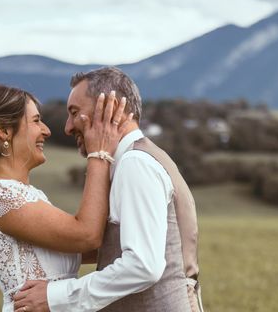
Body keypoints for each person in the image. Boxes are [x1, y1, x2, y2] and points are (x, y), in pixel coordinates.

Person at [14, 66, 204, 312]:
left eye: (75, 113)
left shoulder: (135, 163)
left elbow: (143, 265)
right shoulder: (140, 157)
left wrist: (56, 298)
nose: (68, 127)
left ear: (111, 107)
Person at [0, 83, 131, 312]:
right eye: (35, 121)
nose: (46, 130)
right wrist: (99, 153)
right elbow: (87, 235)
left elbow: (92, 246)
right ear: (4, 130)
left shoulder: (25, 194)